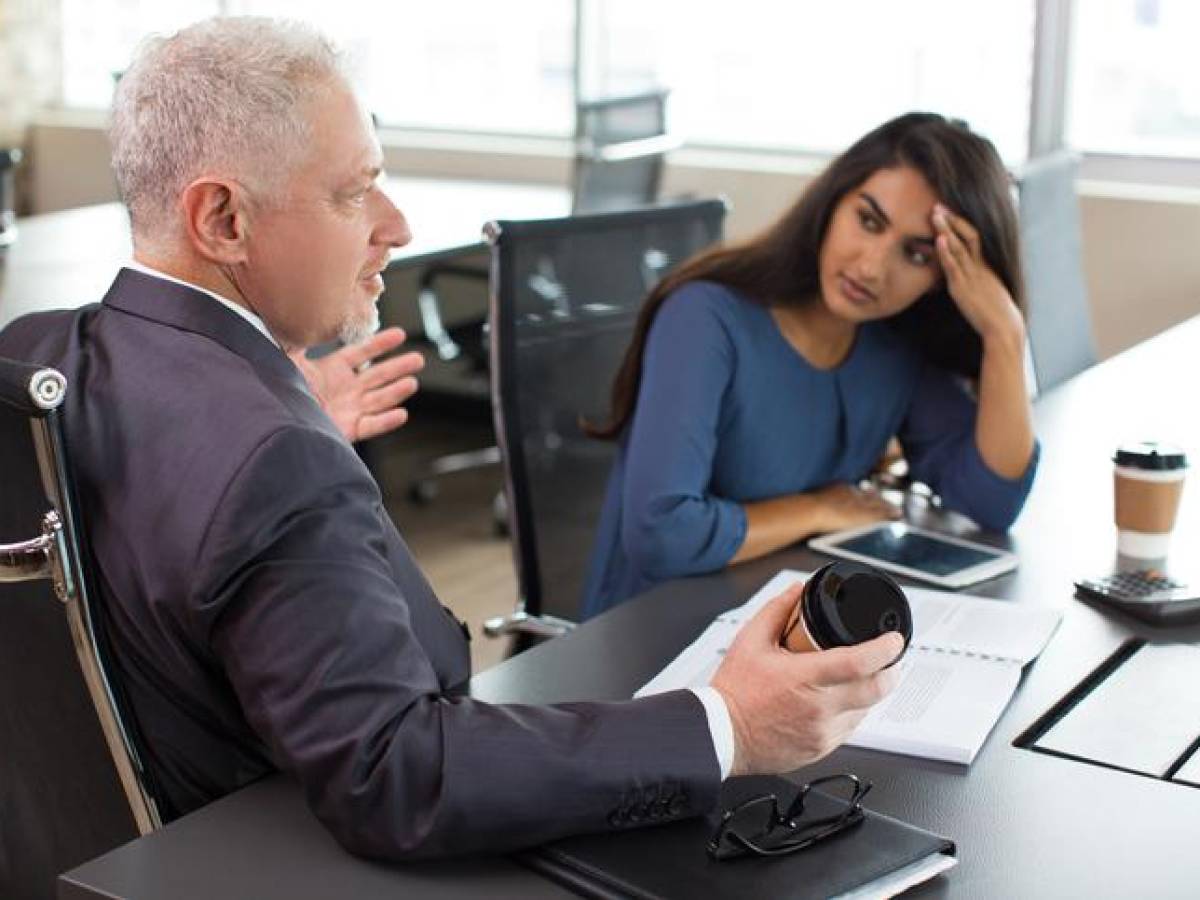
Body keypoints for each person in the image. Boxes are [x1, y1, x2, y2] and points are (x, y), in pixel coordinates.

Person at [0, 17, 902, 860]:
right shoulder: (276, 459)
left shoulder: (38, 352)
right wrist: (730, 725)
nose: (396, 227)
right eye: (355, 193)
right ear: (224, 220)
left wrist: (277, 403)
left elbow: (178, 500)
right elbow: (399, 773)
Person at [581, 113, 1039, 619]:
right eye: (868, 221)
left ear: (945, 277)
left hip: (782, 624)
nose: (870, 267)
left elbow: (992, 503)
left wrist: (1005, 333)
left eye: (915, 254)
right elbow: (661, 534)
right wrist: (818, 509)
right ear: (832, 200)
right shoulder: (706, 318)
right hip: (646, 639)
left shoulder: (895, 343)